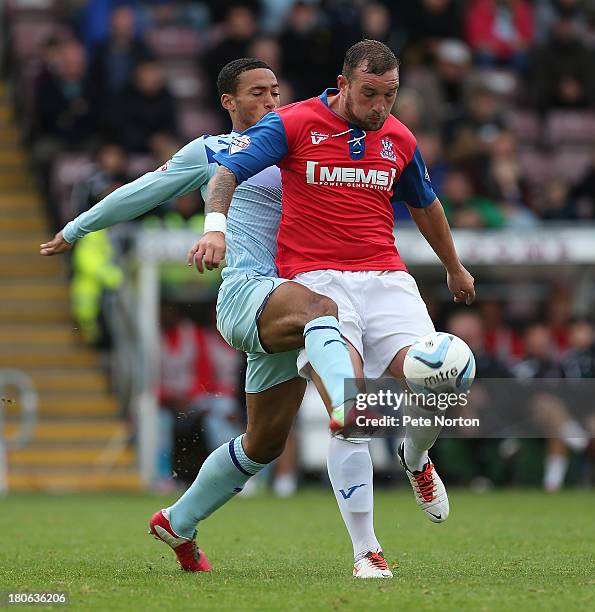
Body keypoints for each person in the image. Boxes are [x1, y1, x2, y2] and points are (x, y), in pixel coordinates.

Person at [40, 59, 368, 576]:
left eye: (276, 91)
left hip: (291, 300)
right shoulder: (213, 151)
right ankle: (353, 409)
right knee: (323, 313)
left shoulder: (299, 143)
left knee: (263, 444)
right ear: (228, 102)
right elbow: (141, 191)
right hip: (247, 294)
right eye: (257, 92)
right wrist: (77, 228)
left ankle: (178, 520)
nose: (270, 100)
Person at [193, 40, 475, 575]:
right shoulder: (294, 123)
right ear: (344, 85)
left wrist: (453, 267)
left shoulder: (398, 138)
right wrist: (215, 229)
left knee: (449, 376)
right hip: (317, 285)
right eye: (370, 94)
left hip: (388, 281)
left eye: (390, 95)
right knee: (353, 412)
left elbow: (426, 205)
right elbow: (226, 172)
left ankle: (415, 459)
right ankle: (366, 549)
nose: (380, 107)